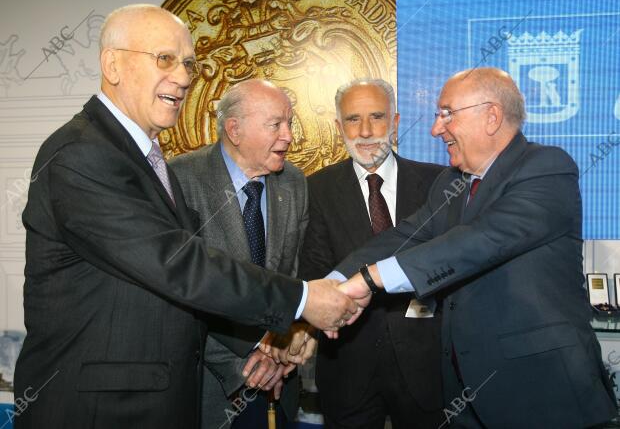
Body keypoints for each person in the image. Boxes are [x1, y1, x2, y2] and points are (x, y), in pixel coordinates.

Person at [13, 4, 357, 429]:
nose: (182, 76)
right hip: (101, 411)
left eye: (188, 63)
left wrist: (266, 344)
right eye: (164, 59)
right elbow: (179, 265)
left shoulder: (145, 158)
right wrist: (302, 299)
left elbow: (184, 296)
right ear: (112, 64)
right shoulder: (81, 154)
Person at [334, 68, 617, 428]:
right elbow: (405, 236)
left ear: (492, 116)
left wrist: (369, 280)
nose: (437, 129)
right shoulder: (450, 183)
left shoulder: (547, 168)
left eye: (447, 113)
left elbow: (478, 242)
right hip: (465, 400)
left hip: (543, 396)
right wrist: (334, 281)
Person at [298, 78, 445, 428]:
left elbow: (446, 265)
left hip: (427, 366)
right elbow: (314, 270)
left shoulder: (438, 183)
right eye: (352, 119)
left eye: (377, 117)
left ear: (395, 122)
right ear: (338, 127)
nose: (365, 131)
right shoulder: (315, 188)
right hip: (348, 367)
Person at [170, 79, 315, 429]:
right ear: (234, 130)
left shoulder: (294, 183)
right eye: (275, 125)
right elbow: (181, 294)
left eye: (289, 123)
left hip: (279, 383)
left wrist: (285, 344)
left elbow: (296, 276)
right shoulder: (180, 180)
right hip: (210, 383)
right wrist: (250, 360)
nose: (289, 136)